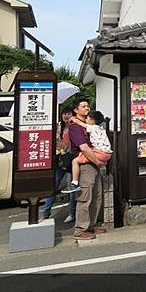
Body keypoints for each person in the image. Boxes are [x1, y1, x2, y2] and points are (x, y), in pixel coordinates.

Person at [70, 99, 106, 240]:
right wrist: (97, 161)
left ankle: (91, 225)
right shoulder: (75, 127)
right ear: (76, 110)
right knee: (85, 197)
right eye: (83, 106)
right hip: (86, 165)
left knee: (96, 196)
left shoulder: (88, 124)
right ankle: (80, 229)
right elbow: (84, 148)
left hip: (94, 164)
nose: (87, 108)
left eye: (87, 106)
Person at [62, 111, 112, 194]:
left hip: (100, 153)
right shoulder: (101, 129)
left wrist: (74, 119)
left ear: (92, 120)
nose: (86, 119)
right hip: (106, 154)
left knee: (75, 161)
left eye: (87, 118)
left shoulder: (92, 127)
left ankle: (74, 183)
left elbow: (79, 123)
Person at [42, 106, 76, 222]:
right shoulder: (57, 127)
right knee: (53, 187)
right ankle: (45, 214)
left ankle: (71, 213)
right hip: (60, 161)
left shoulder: (75, 126)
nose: (66, 116)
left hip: (72, 161)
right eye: (64, 113)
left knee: (71, 188)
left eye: (69, 113)